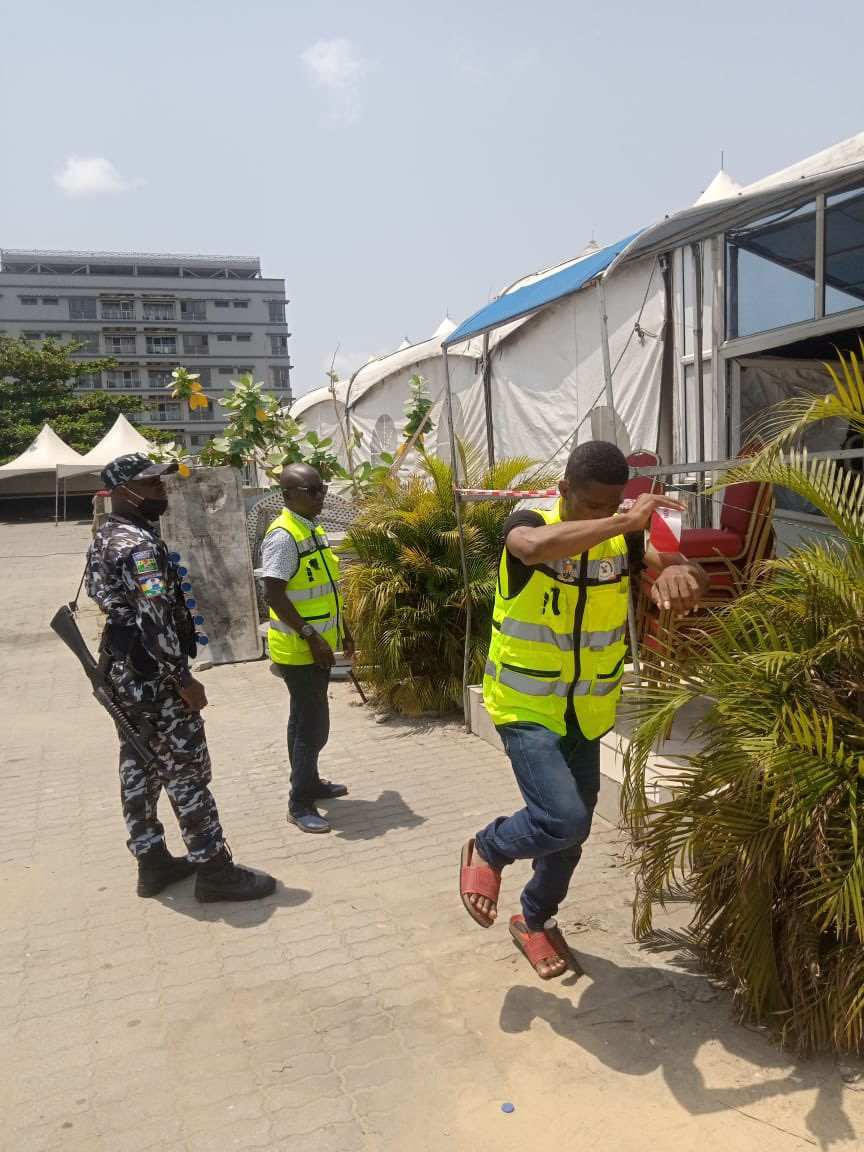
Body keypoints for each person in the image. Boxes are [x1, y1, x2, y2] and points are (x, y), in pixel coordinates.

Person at [459, 440, 709, 979]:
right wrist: (621, 526)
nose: (606, 514)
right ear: (565, 489)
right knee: (562, 818)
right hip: (525, 703)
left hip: (589, 711)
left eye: (614, 504)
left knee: (572, 836)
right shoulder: (531, 520)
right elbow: (530, 547)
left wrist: (679, 573)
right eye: (594, 504)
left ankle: (535, 919)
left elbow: (684, 569)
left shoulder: (627, 534)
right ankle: (490, 847)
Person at [86, 452, 276, 902]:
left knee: (140, 767)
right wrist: (183, 680)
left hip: (125, 678)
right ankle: (213, 869)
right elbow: (155, 623)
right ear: (122, 492)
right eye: (150, 484)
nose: (160, 490)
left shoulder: (107, 536)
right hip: (155, 682)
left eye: (160, 482)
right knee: (186, 772)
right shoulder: (140, 547)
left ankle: (151, 862)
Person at [262, 464, 354, 834]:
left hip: (315, 644)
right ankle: (299, 803)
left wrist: (343, 629)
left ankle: (310, 782)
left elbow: (326, 587)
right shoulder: (284, 535)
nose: (320, 496)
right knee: (312, 726)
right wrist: (311, 636)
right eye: (311, 490)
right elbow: (274, 592)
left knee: (304, 720)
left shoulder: (310, 528)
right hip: (298, 649)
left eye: (322, 488)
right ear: (287, 495)